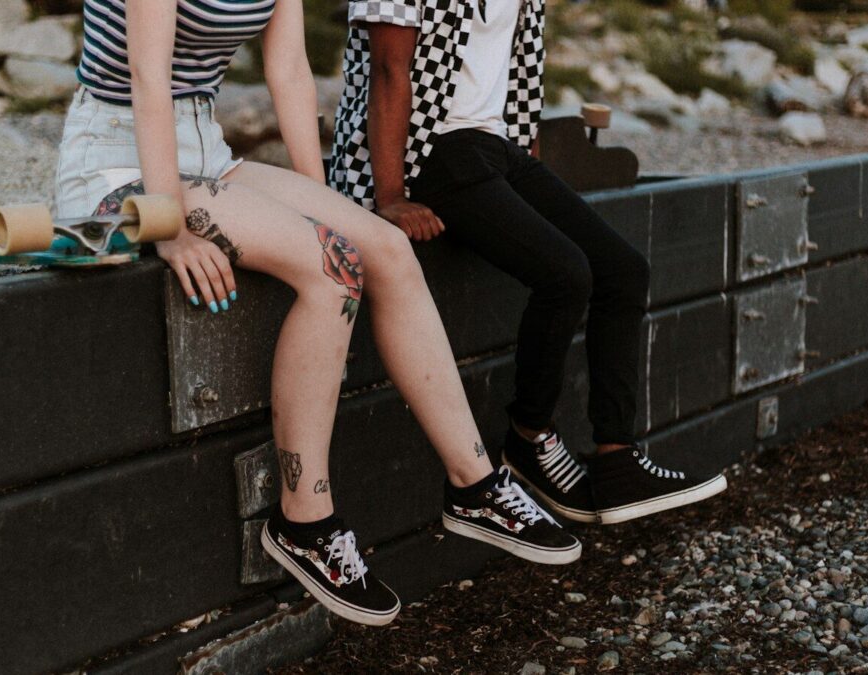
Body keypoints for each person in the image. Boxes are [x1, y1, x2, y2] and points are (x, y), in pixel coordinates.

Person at [57, 0, 580, 627]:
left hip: (207, 149)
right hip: (117, 160)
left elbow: (291, 71)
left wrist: (326, 205)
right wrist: (167, 223)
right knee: (333, 267)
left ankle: (474, 485)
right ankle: (304, 519)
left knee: (382, 248)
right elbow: (148, 72)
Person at [329, 0, 728, 526]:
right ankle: (529, 437)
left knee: (622, 270)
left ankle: (617, 462)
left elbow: (515, 69)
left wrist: (528, 178)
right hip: (428, 150)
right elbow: (388, 68)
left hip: (494, 147)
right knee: (566, 274)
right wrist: (390, 196)